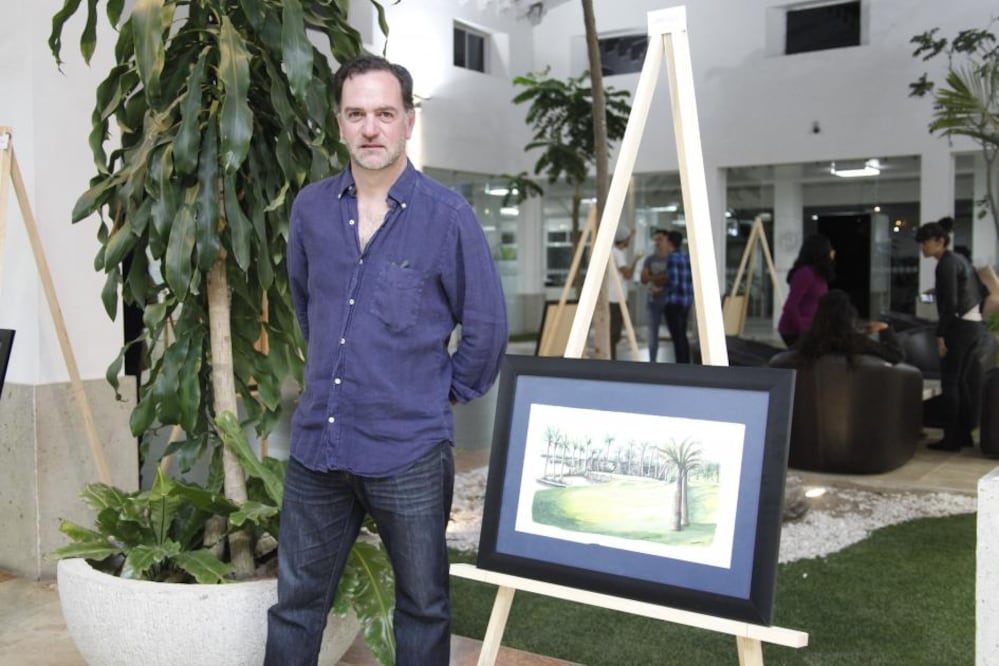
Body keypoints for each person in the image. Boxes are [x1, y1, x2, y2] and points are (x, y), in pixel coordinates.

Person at [265, 55, 508, 665]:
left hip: (410, 453)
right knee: (296, 604)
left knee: (423, 605)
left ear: (407, 122)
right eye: (356, 115)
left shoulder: (447, 216)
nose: (370, 128)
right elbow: (307, 305)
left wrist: (436, 392)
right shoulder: (312, 210)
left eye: (384, 114)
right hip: (319, 446)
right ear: (340, 124)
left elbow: (485, 327)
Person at [916, 221, 987, 452]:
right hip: (974, 325)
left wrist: (941, 334)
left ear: (939, 241)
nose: (922, 248)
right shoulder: (959, 260)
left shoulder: (945, 264)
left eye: (925, 243)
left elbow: (951, 304)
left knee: (950, 382)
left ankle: (951, 439)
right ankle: (963, 434)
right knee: (962, 382)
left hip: (959, 328)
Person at [793, 289, 904, 366]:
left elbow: (783, 358)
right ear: (849, 316)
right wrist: (885, 329)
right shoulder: (858, 343)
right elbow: (896, 355)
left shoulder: (808, 343)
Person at [778, 233, 836, 348]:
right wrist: (803, 329)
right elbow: (791, 306)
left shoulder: (820, 275)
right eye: (829, 248)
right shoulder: (805, 273)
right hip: (794, 330)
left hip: (812, 329)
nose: (833, 252)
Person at [607, 226, 639, 360]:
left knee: (613, 333)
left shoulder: (612, 252)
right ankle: (611, 360)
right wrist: (636, 260)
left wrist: (630, 234)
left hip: (613, 298)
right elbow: (627, 275)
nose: (629, 242)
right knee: (614, 333)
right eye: (628, 240)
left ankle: (611, 358)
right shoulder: (618, 254)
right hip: (616, 299)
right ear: (623, 240)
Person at [663, 230, 694, 363]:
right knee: (683, 335)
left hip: (674, 302)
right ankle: (686, 363)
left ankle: (680, 364)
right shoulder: (686, 256)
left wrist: (661, 288)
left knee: (677, 337)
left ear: (669, 242)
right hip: (686, 301)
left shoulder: (672, 257)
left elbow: (674, 281)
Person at [640, 229, 671, 362]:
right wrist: (659, 278)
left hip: (670, 302)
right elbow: (643, 278)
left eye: (660, 239)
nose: (657, 242)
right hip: (653, 302)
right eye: (656, 239)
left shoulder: (672, 258)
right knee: (652, 335)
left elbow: (669, 278)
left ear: (667, 241)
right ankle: (652, 362)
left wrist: (653, 278)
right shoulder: (649, 259)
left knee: (676, 334)